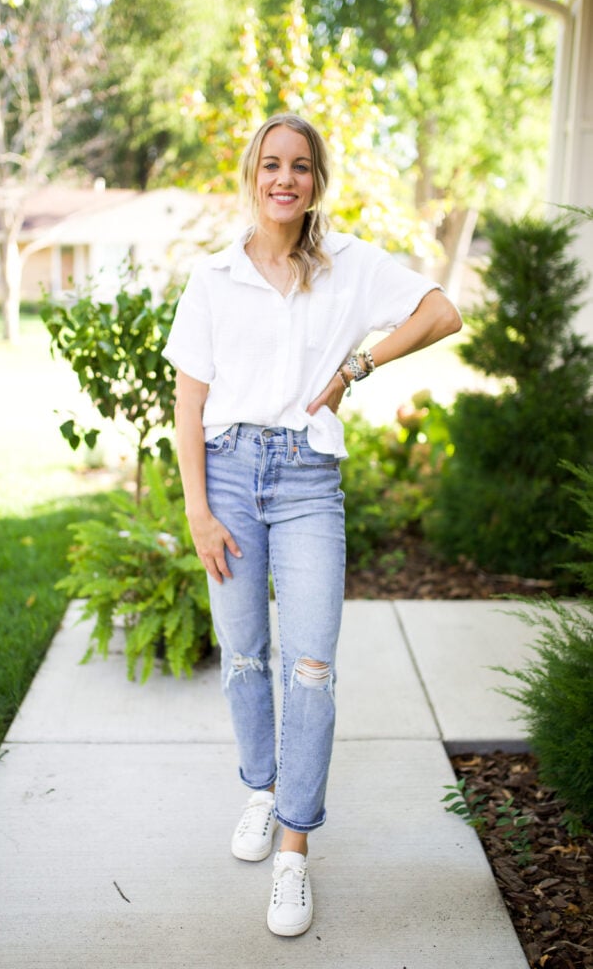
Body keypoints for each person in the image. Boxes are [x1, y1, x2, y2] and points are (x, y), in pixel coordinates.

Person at [163, 112, 462, 937]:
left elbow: (442, 313)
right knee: (245, 656)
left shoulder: (352, 267)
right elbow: (188, 403)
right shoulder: (214, 277)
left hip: (304, 481)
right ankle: (261, 789)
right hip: (226, 475)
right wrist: (197, 511)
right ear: (251, 176)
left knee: (313, 665)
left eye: (299, 166)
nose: (283, 179)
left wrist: (356, 366)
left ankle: (293, 851)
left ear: (315, 180)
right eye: (270, 165)